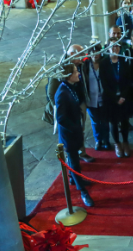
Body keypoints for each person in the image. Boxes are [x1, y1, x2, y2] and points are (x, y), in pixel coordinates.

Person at [55, 63, 94, 207]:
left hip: (75, 131)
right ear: (68, 75)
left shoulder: (70, 87)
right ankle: (82, 190)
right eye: (76, 71)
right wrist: (75, 129)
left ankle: (75, 179)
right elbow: (61, 118)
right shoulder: (62, 93)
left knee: (75, 160)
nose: (78, 73)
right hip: (69, 135)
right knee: (74, 162)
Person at [100, 38, 131, 158]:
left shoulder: (123, 61)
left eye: (117, 46)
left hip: (123, 96)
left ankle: (125, 142)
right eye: (112, 46)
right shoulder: (104, 63)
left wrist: (123, 96)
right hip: (110, 98)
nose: (115, 48)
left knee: (124, 121)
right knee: (113, 122)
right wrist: (115, 98)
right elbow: (104, 83)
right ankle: (117, 144)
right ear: (108, 48)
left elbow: (128, 80)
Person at [83, 44, 110, 151]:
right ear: (89, 53)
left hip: (104, 97)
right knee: (95, 121)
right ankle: (98, 140)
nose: (95, 54)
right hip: (91, 99)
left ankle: (106, 140)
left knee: (105, 121)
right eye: (92, 51)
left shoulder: (104, 64)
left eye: (97, 51)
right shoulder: (85, 65)